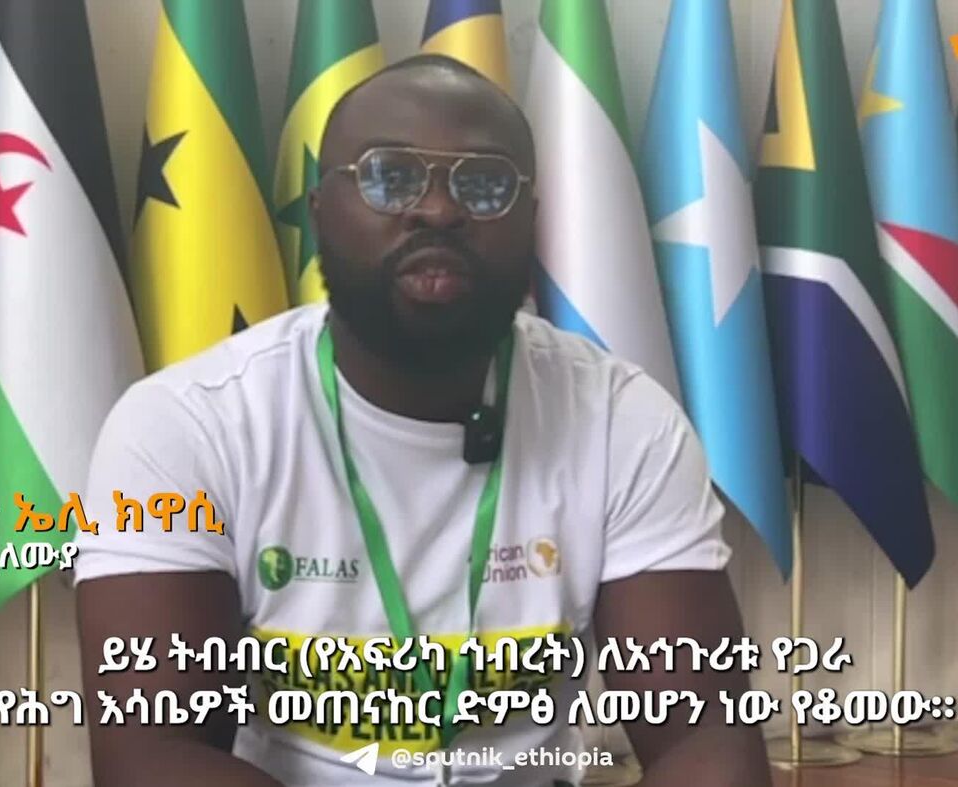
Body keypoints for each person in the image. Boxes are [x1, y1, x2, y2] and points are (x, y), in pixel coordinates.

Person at [74, 54, 770, 787]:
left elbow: (705, 740)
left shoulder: (621, 419)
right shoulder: (185, 426)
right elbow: (152, 758)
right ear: (321, 210)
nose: (438, 210)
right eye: (390, 176)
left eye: (484, 184)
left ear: (532, 221)